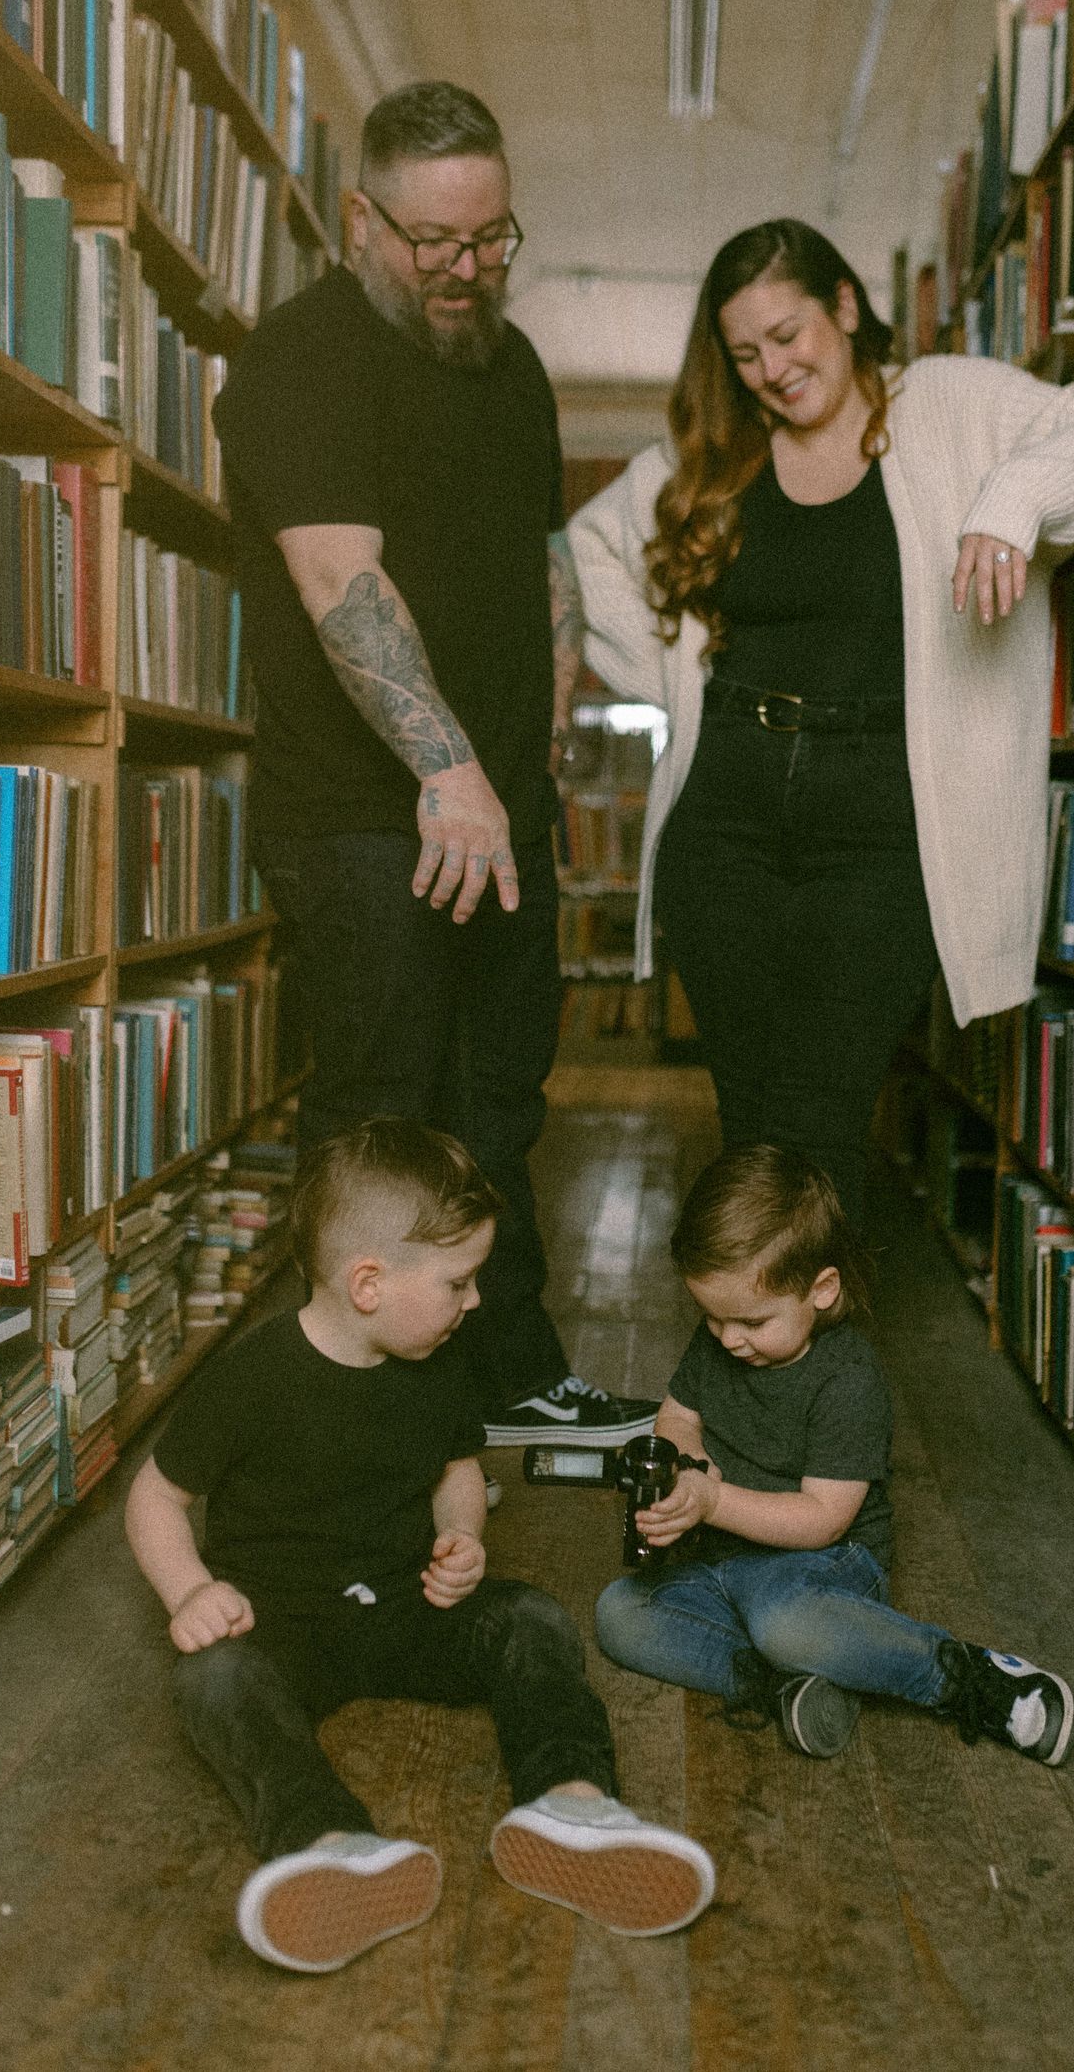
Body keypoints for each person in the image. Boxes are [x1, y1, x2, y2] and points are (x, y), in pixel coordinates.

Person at [211, 79, 655, 1447]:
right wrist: (450, 767)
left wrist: (550, 707)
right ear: (361, 220)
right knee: (382, 1118)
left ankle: (506, 1373)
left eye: (491, 238)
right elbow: (339, 573)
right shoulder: (304, 358)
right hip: (363, 817)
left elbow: (541, 558)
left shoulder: (510, 365)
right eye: (434, 243)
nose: (465, 272)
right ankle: (352, 1421)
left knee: (500, 1110)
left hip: (501, 806)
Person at [567, 220, 1074, 1222]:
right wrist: (674, 685)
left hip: (886, 827)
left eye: (788, 336)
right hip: (727, 820)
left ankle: (796, 1365)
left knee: (826, 1115)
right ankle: (772, 1362)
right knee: (752, 1117)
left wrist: (1010, 501)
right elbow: (588, 550)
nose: (772, 371)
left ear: (844, 308)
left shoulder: (950, 404)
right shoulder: (715, 455)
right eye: (745, 354)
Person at [124, 1119, 715, 1974]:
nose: (474, 1303)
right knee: (214, 1678)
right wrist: (188, 1591)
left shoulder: (439, 1359)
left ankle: (572, 1804)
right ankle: (327, 1845)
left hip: (409, 1605)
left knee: (529, 1617)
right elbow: (157, 1494)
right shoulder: (251, 1379)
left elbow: (457, 1467)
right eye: (458, 1282)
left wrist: (462, 1533)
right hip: (281, 1624)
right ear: (369, 1283)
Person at [594, 1144, 1074, 1765]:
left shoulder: (849, 1380)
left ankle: (966, 1677)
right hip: (722, 1559)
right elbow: (679, 1413)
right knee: (621, 1613)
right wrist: (687, 1460)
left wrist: (710, 1500)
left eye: (750, 1322)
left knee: (786, 1624)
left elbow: (823, 1517)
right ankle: (784, 1686)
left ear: (821, 1290)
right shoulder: (725, 1334)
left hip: (824, 1565)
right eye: (712, 1321)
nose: (728, 1339)